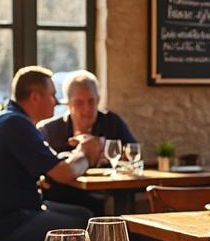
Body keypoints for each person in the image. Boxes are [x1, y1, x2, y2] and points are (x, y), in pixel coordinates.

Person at [0, 66, 103, 241]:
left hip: (11, 215)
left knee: (86, 214)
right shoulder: (16, 124)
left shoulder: (11, 119)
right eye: (52, 95)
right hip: (5, 224)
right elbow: (64, 174)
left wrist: (74, 157)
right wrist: (85, 152)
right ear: (35, 97)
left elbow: (53, 164)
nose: (56, 102)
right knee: (87, 224)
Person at [38, 70, 136, 213]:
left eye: (91, 101)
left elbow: (133, 154)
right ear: (68, 104)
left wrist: (105, 152)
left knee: (124, 195)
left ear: (98, 100)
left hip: (107, 190)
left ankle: (125, 234)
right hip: (64, 195)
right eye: (79, 103)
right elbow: (46, 173)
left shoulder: (112, 123)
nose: (87, 109)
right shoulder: (49, 130)